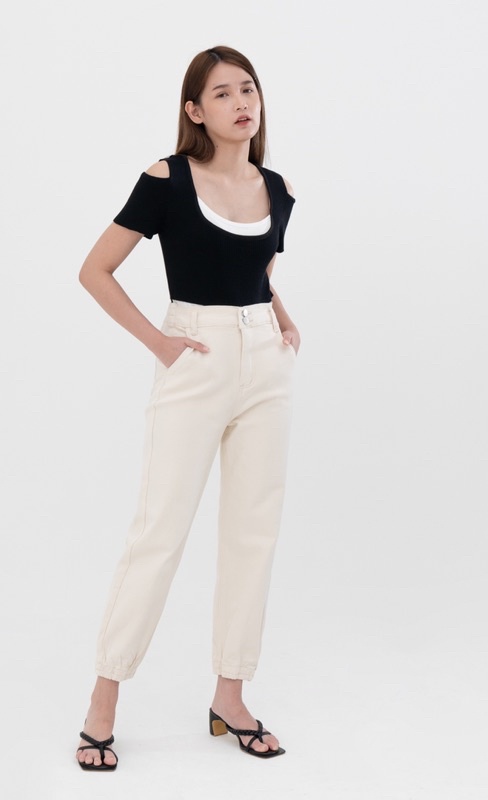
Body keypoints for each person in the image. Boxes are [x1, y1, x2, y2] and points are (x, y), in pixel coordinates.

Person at [74, 44, 299, 771]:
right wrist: (160, 344)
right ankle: (104, 700)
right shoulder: (166, 180)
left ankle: (231, 695)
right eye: (222, 93)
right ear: (194, 111)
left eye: (248, 89)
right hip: (194, 356)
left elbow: (257, 269)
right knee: (159, 531)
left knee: (253, 532)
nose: (241, 103)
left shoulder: (277, 188)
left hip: (265, 363)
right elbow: (96, 270)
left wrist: (280, 317)